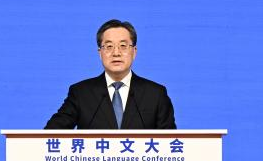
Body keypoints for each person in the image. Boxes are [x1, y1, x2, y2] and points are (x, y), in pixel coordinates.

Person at [45, 19, 177, 129]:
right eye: (109, 46)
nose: (116, 53)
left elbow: (172, 143)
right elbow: (49, 135)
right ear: (100, 53)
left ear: (134, 51)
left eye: (123, 46)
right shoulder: (80, 93)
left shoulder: (156, 94)